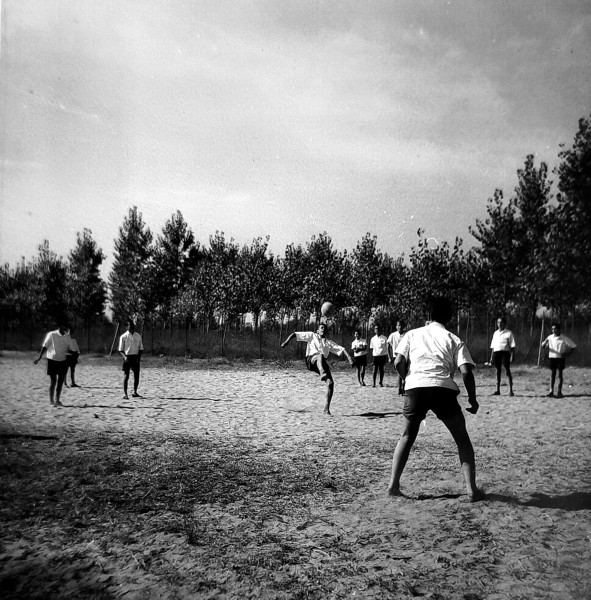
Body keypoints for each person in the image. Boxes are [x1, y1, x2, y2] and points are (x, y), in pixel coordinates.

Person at [387, 297, 482, 502]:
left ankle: (393, 485)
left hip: (416, 388)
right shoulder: (454, 339)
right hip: (443, 389)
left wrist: (407, 379)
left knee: (406, 437)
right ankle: (471, 489)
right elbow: (466, 371)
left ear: (428, 315)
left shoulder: (412, 334)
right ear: (448, 317)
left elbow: (398, 361)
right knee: (462, 440)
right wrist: (472, 399)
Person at [281, 322, 354, 415]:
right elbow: (294, 334)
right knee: (319, 355)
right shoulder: (312, 335)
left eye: (324, 328)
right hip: (311, 360)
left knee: (330, 383)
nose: (323, 329)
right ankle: (322, 373)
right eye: (321, 328)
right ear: (318, 331)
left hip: (321, 362)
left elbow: (342, 349)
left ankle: (326, 409)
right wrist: (286, 342)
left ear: (326, 331)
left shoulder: (328, 343)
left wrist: (350, 359)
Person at [34, 320, 72, 407]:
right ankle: (51, 400)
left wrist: (72, 356)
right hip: (52, 360)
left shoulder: (67, 336)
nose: (64, 328)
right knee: (53, 380)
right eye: (62, 326)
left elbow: (69, 348)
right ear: (59, 327)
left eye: (65, 326)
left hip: (63, 360)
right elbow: (45, 346)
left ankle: (58, 400)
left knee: (60, 381)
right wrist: (39, 358)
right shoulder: (52, 334)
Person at [541, 323, 577, 398]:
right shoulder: (550, 337)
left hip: (560, 358)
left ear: (559, 329)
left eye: (555, 329)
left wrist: (568, 354)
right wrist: (544, 344)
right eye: (552, 329)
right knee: (552, 374)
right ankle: (551, 391)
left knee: (560, 374)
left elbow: (573, 346)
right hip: (552, 357)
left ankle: (559, 391)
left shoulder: (563, 338)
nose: (553, 330)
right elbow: (543, 345)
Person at [489, 317, 515, 396]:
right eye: (498, 322)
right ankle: (497, 390)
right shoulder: (495, 333)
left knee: (507, 371)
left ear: (504, 323)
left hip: (505, 353)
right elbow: (493, 346)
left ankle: (510, 390)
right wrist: (491, 357)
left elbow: (512, 346)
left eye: (501, 322)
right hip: (496, 353)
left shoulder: (509, 333)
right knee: (497, 371)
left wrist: (512, 356)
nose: (499, 324)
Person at [118, 320, 144, 399]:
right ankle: (125, 394)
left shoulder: (138, 336)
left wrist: (138, 358)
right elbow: (120, 350)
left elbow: (141, 348)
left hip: (135, 357)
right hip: (127, 357)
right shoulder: (123, 336)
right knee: (126, 376)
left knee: (136, 375)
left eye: (133, 325)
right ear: (127, 327)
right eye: (130, 325)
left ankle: (135, 392)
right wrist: (124, 357)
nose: (132, 327)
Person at [388, 320, 406, 395]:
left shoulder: (406, 334)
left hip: (405, 356)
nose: (400, 327)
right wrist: (389, 357)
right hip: (396, 356)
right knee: (399, 372)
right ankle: (400, 388)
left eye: (401, 325)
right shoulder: (393, 335)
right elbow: (388, 346)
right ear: (396, 326)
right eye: (398, 325)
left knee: (405, 372)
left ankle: (403, 387)